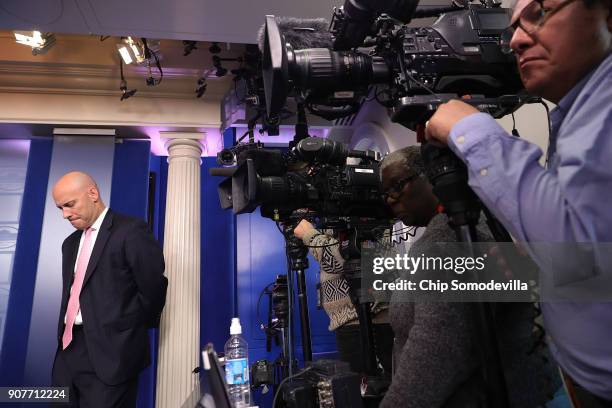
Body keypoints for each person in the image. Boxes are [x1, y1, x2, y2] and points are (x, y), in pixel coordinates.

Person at [424, 0, 612, 404]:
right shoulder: (577, 114)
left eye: (539, 13)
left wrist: (471, 131)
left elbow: (577, 251)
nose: (517, 40)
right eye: (512, 28)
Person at [378, 146, 559, 408]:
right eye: (385, 193)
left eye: (397, 186)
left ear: (432, 176)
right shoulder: (479, 222)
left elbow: (436, 356)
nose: (391, 200)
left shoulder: (448, 240)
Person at [51, 171, 167, 407]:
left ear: (92, 193)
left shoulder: (131, 231)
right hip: (68, 351)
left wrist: (125, 331)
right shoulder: (69, 243)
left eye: (70, 205)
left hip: (112, 355)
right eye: (60, 208)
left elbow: (153, 288)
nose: (65, 215)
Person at [293, 219, 394, 375]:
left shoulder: (377, 217)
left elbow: (344, 257)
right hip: (349, 324)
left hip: (374, 322)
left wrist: (309, 235)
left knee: (372, 391)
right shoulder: (334, 218)